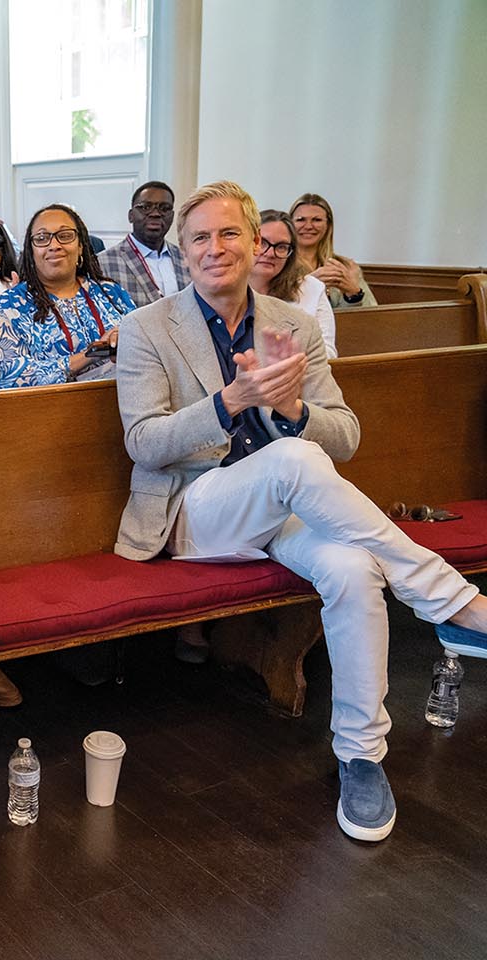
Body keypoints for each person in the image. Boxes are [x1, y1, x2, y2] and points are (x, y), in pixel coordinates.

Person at [114, 179, 487, 843]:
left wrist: (293, 410)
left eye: (230, 233)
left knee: (350, 568)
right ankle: (452, 603)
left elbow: (344, 435)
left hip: (290, 506)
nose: (215, 248)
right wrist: (229, 400)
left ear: (258, 243)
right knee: (293, 462)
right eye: (199, 237)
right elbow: (143, 442)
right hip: (198, 510)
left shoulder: (296, 325)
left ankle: (361, 755)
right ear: (183, 250)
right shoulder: (147, 330)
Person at [0, 204, 135, 389]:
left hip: (126, 401)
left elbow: (146, 343)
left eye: (65, 236)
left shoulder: (111, 292)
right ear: (31, 252)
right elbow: (11, 379)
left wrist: (126, 339)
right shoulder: (8, 308)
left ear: (80, 246)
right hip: (53, 411)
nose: (54, 246)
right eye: (42, 238)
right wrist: (90, 356)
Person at [250, 209, 337, 357]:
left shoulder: (311, 288)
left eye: (282, 247)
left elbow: (327, 353)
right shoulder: (226, 286)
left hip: (300, 376)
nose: (270, 254)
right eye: (263, 243)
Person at [99, 181, 190, 307]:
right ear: (131, 216)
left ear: (172, 216)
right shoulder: (103, 263)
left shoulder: (187, 259)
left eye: (164, 208)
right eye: (146, 207)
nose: (155, 214)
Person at [289, 193, 377, 309]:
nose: (308, 226)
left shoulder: (346, 266)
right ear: (289, 224)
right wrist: (308, 285)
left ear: (328, 225)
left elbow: (372, 314)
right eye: (300, 220)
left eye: (317, 220)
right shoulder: (280, 265)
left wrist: (353, 293)